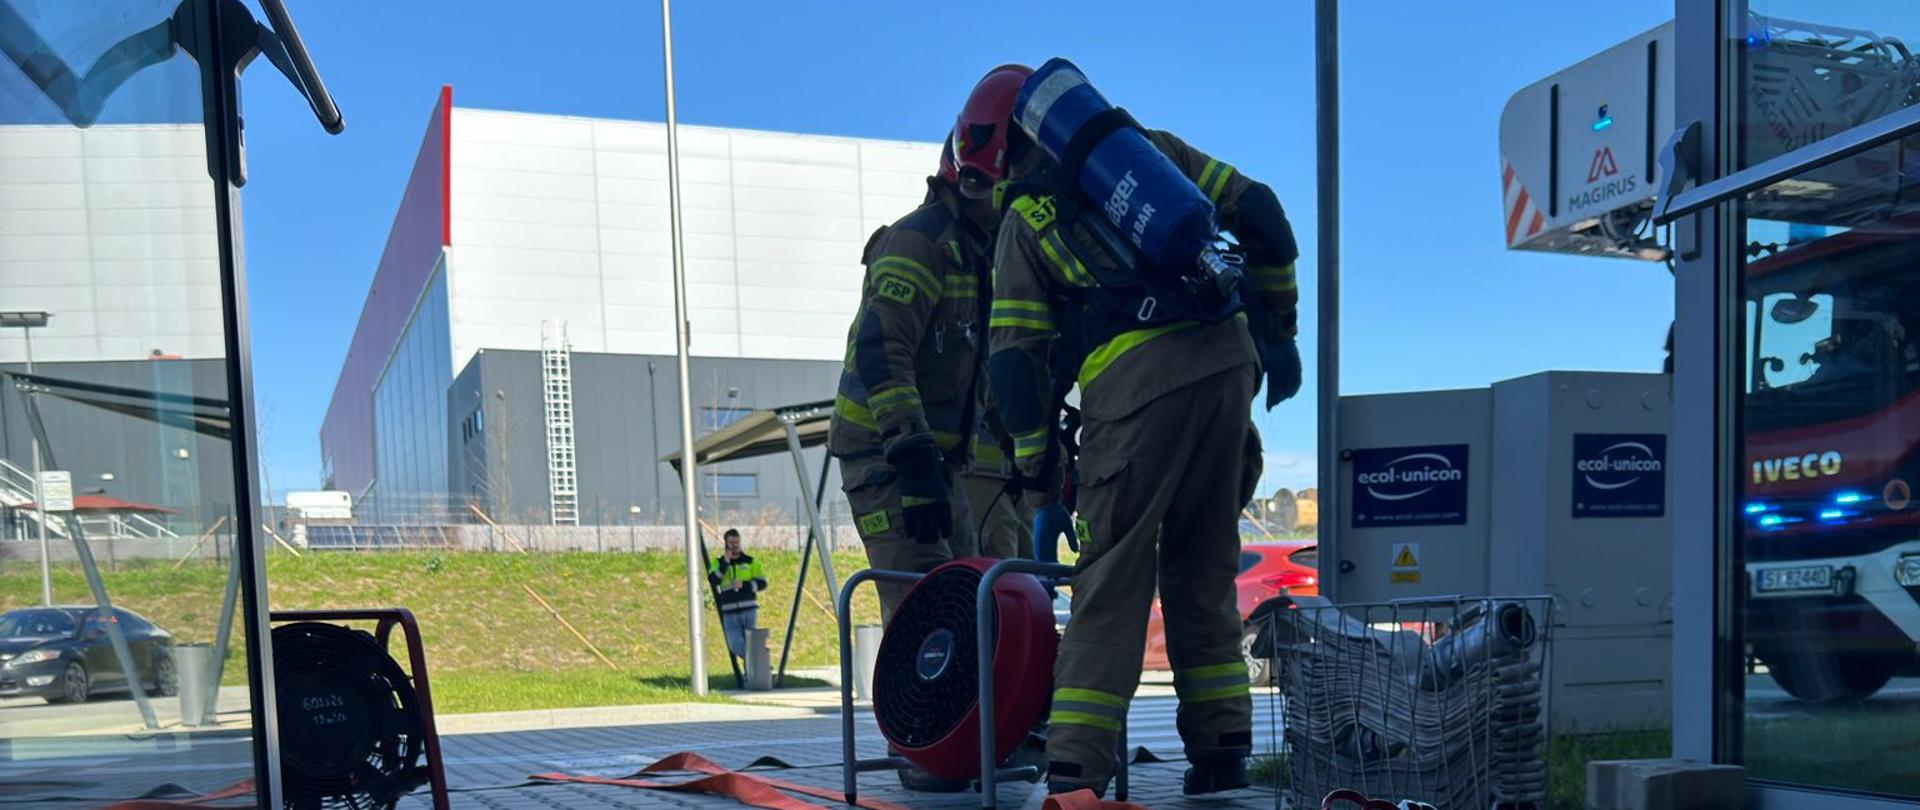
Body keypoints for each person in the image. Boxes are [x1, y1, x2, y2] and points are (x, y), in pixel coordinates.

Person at [987, 61, 1302, 798]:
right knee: (1204, 568)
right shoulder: (1154, 152)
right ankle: (1222, 752)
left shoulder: (1025, 218)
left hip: (1135, 392)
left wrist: (1038, 479)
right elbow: (1263, 214)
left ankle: (1075, 772)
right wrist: (1279, 332)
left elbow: (1015, 365)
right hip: (1228, 366)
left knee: (1112, 579)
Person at [824, 63, 1035, 621]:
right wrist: (913, 461)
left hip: (940, 462)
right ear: (975, 181)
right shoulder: (918, 244)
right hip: (886, 458)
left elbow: (983, 375)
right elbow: (882, 352)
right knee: (926, 618)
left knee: (967, 605)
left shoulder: (983, 255)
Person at [706, 529, 766, 660]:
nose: (735, 546)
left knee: (751, 643)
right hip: (730, 612)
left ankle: (754, 668)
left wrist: (744, 585)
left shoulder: (751, 561)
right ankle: (758, 661)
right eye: (732, 543)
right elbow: (713, 580)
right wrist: (725, 563)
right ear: (726, 544)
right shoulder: (718, 562)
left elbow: (762, 583)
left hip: (749, 611)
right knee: (734, 645)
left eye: (737, 542)